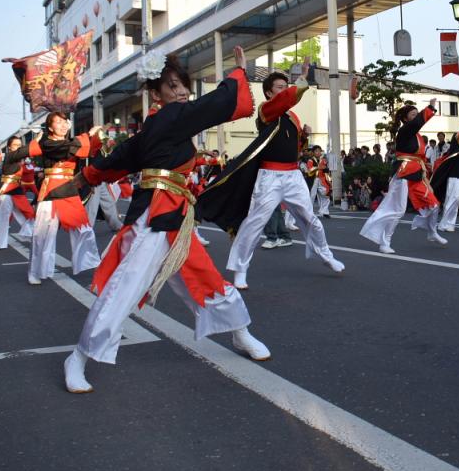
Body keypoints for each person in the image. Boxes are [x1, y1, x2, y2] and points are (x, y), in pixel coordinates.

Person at [64, 48, 270, 393]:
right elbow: (211, 107)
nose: (181, 92)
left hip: (175, 217)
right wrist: (237, 75)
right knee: (126, 285)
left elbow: (113, 162)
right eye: (172, 86)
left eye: (183, 86)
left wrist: (84, 178)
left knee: (205, 278)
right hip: (155, 215)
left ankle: (240, 334)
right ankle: (79, 357)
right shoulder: (171, 117)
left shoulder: (158, 127)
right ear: (155, 93)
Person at [197, 58, 344, 290]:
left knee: (310, 218)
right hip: (270, 176)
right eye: (279, 87)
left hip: (293, 176)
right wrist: (301, 79)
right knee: (255, 223)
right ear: (268, 93)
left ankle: (325, 255)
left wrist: (304, 136)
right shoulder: (266, 110)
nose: (285, 91)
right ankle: (240, 269)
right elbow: (286, 100)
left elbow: (293, 148)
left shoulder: (291, 117)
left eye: (286, 87)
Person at [360, 99, 446, 253]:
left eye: (417, 114)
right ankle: (384, 242)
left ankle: (432, 232)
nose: (417, 116)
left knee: (434, 205)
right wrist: (431, 108)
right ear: (406, 119)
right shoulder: (405, 130)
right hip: (404, 173)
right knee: (398, 209)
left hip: (416, 173)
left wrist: (425, 174)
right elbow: (416, 124)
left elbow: (419, 155)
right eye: (414, 114)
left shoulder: (416, 135)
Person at [26, 113, 103, 285]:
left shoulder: (71, 143)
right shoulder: (48, 143)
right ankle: (35, 271)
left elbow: (86, 151)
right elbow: (65, 148)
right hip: (51, 191)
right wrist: (88, 135)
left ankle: (91, 263)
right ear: (50, 127)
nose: (62, 125)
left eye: (64, 121)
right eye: (57, 122)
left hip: (69, 190)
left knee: (84, 230)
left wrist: (97, 138)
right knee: (43, 235)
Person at [0, 136, 36, 249]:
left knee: (29, 213)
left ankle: (30, 234)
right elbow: (25, 152)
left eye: (19, 145)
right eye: (15, 145)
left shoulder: (19, 159)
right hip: (6, 189)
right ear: (9, 147)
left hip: (17, 188)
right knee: (3, 217)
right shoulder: (10, 156)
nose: (18, 147)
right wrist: (36, 141)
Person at [305, 145, 331, 218]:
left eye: (319, 151)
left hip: (322, 179)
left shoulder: (323, 160)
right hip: (313, 180)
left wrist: (329, 179)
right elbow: (309, 169)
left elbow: (326, 170)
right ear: (313, 152)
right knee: (312, 196)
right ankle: (309, 212)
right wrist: (318, 167)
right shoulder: (310, 160)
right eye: (316, 151)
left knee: (325, 194)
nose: (318, 152)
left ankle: (324, 211)